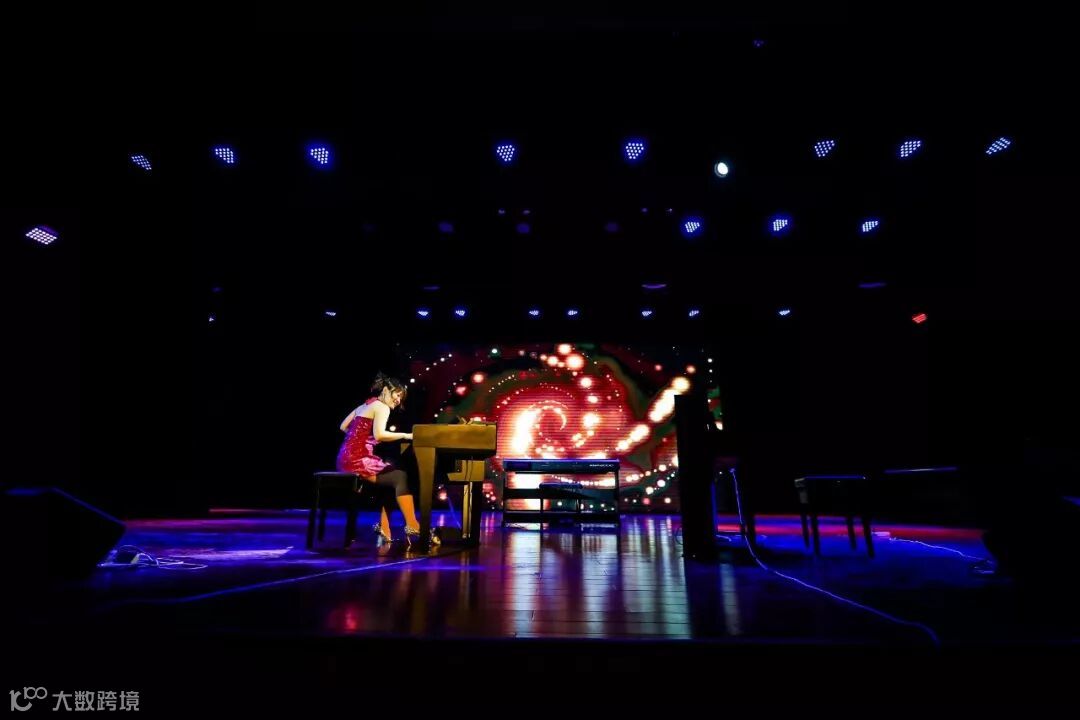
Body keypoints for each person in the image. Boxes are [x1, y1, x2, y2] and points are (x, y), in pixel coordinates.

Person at [337, 373, 433, 545]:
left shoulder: (365, 405)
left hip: (344, 458)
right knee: (400, 477)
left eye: (401, 398)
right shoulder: (382, 407)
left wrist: (361, 440)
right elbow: (380, 434)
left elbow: (343, 426)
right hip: (358, 460)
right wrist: (406, 435)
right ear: (387, 390)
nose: (398, 400)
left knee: (389, 477)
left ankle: (385, 527)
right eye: (397, 395)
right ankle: (413, 525)